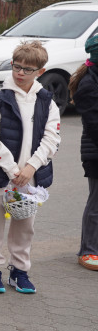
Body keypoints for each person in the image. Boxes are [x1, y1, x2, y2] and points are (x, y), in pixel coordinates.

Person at [0, 41, 60, 293]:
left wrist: (31, 168)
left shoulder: (47, 101)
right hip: (1, 176)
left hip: (30, 179)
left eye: (28, 69)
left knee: (25, 227)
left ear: (40, 72)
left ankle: (19, 271)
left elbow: (52, 138)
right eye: (17, 67)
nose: (20, 73)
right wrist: (13, 170)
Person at [69, 34, 98, 271]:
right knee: (96, 202)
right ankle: (88, 250)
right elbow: (94, 124)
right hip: (95, 151)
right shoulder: (89, 84)